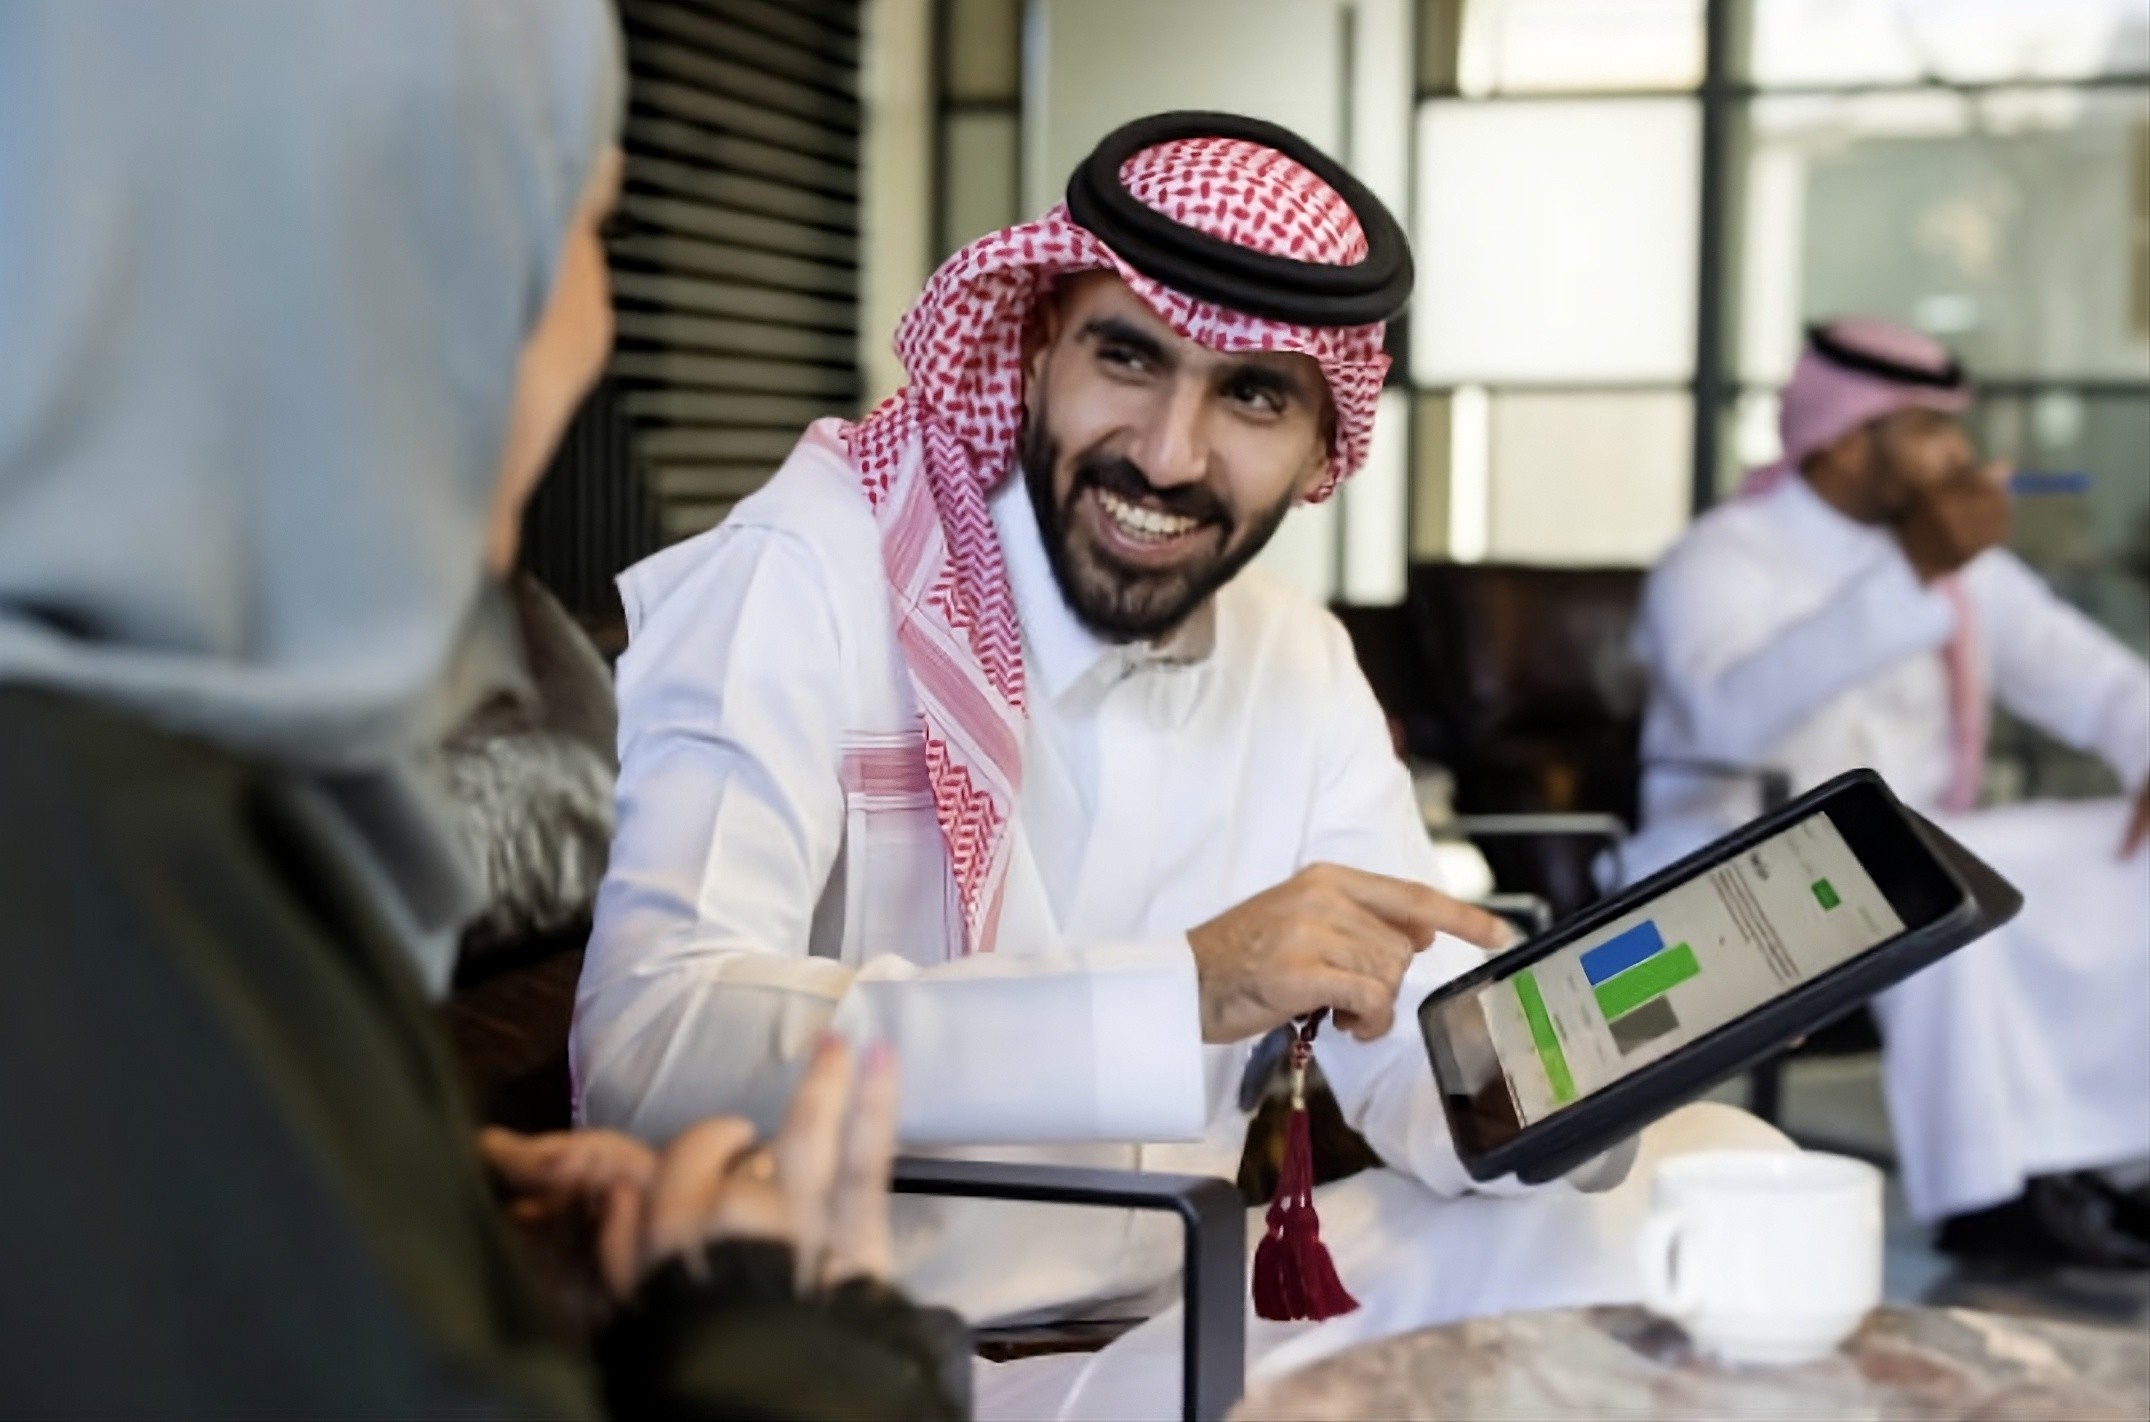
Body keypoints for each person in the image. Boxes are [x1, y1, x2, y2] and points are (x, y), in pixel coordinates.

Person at [572, 112, 1787, 1417]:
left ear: (1322, 447)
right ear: (1038, 344)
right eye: (1127, 357)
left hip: (1188, 1328)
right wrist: (1184, 991)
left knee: (1718, 1167)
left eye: (1252, 394)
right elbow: (650, 1049)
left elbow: (1403, 1037)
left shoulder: (1294, 658)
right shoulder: (806, 575)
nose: (1164, 454)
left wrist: (1570, 1083)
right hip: (879, 1367)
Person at [0, 5, 961, 1416]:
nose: (596, 330)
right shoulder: (106, 877)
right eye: (581, 223)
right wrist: (794, 1331)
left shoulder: (155, 820)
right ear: (375, 258)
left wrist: (440, 1247)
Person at [1627, 317, 2150, 1268]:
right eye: (1929, 430)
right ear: (1843, 439)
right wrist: (1912, 576)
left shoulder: (1957, 566)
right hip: (1737, 856)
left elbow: (2091, 681)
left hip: (1919, 837)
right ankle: (1990, 1197)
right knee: (1934, 879)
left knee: (2087, 852)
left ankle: (2099, 1160)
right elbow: (1727, 722)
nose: (1959, 454)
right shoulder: (1724, 555)